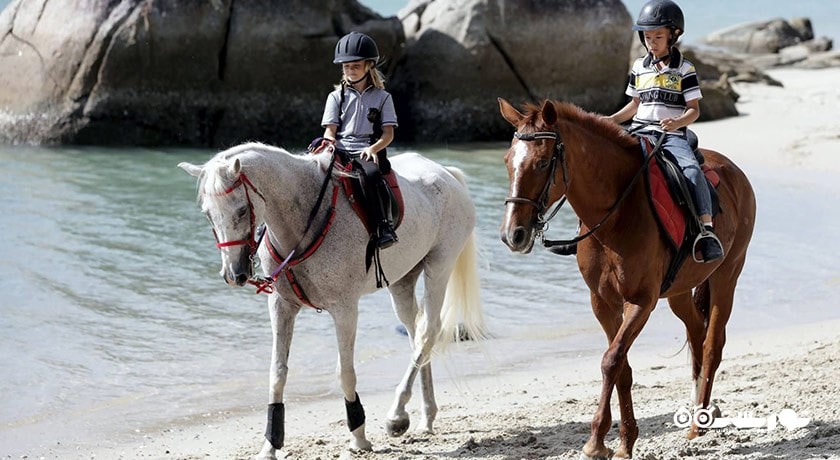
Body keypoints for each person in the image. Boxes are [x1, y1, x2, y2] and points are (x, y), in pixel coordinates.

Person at [604, 0, 724, 262]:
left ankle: (706, 230)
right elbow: (635, 104)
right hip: (638, 130)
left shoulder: (685, 69)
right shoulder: (639, 67)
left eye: (658, 37)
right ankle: (589, 229)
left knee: (691, 170)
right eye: (648, 37)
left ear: (673, 35)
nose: (652, 43)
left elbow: (694, 110)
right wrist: (611, 119)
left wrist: (677, 123)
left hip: (670, 136)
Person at [319, 31, 399, 249]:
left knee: (371, 175)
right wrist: (330, 144)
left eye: (356, 66)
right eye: (346, 67)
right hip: (339, 148)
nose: (350, 70)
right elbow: (330, 132)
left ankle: (383, 226)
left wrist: (373, 149)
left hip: (366, 149)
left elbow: (388, 134)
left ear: (368, 66)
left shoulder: (383, 98)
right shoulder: (335, 97)